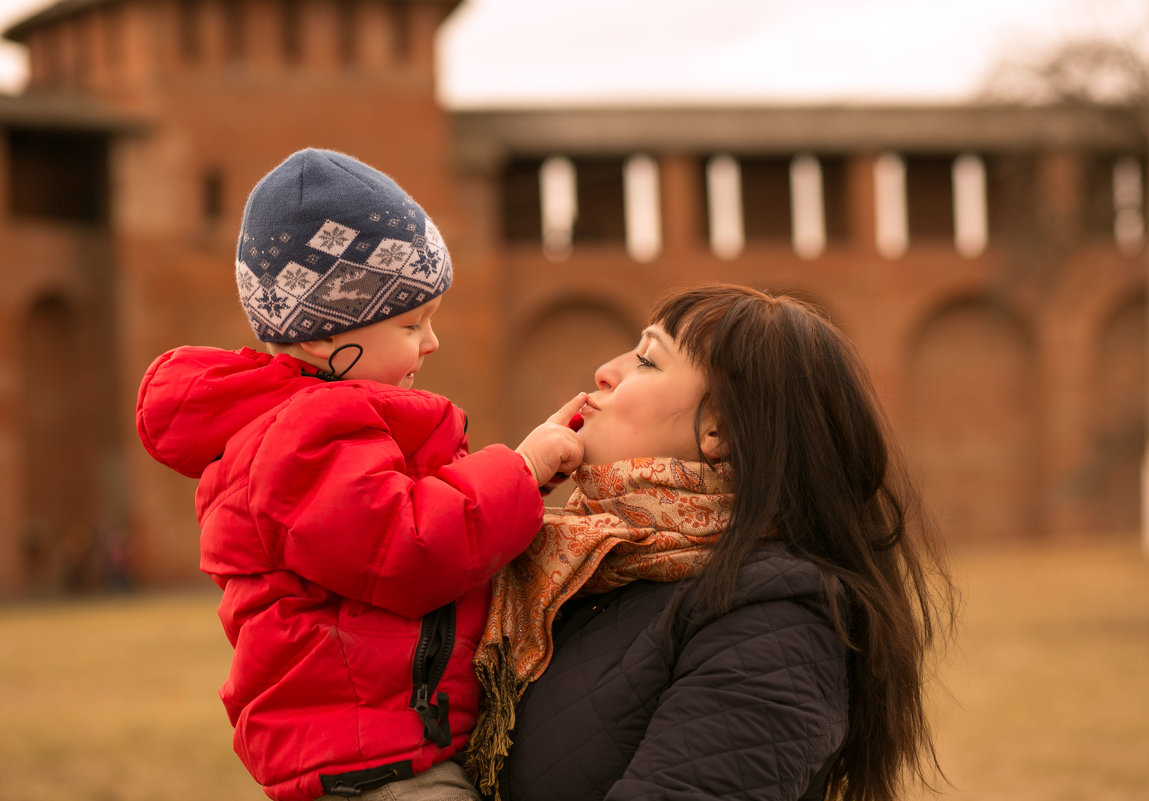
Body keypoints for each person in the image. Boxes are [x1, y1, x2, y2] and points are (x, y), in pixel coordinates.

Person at [135, 148, 584, 801]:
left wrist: (526, 480)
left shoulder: (318, 426)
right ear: (322, 335)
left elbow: (405, 513)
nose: (431, 343)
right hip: (378, 764)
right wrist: (519, 469)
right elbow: (409, 545)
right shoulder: (303, 438)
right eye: (411, 323)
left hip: (385, 749)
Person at [465, 284, 956, 801]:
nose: (605, 372)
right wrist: (502, 499)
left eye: (648, 361)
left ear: (719, 429)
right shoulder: (578, 564)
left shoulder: (774, 618)